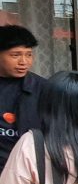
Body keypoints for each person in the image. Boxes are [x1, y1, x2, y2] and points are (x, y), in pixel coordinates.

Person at [0, 25, 45, 170]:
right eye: (15, 55)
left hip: (30, 172)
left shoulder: (44, 89)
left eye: (29, 54)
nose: (24, 62)